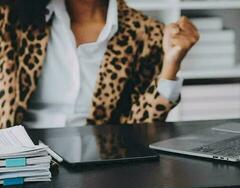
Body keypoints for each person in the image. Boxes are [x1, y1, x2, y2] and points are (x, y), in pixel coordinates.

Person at [0, 0, 199, 129]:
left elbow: (138, 130)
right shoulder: (11, 18)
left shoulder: (146, 33)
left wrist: (171, 65)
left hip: (96, 166)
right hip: (19, 162)